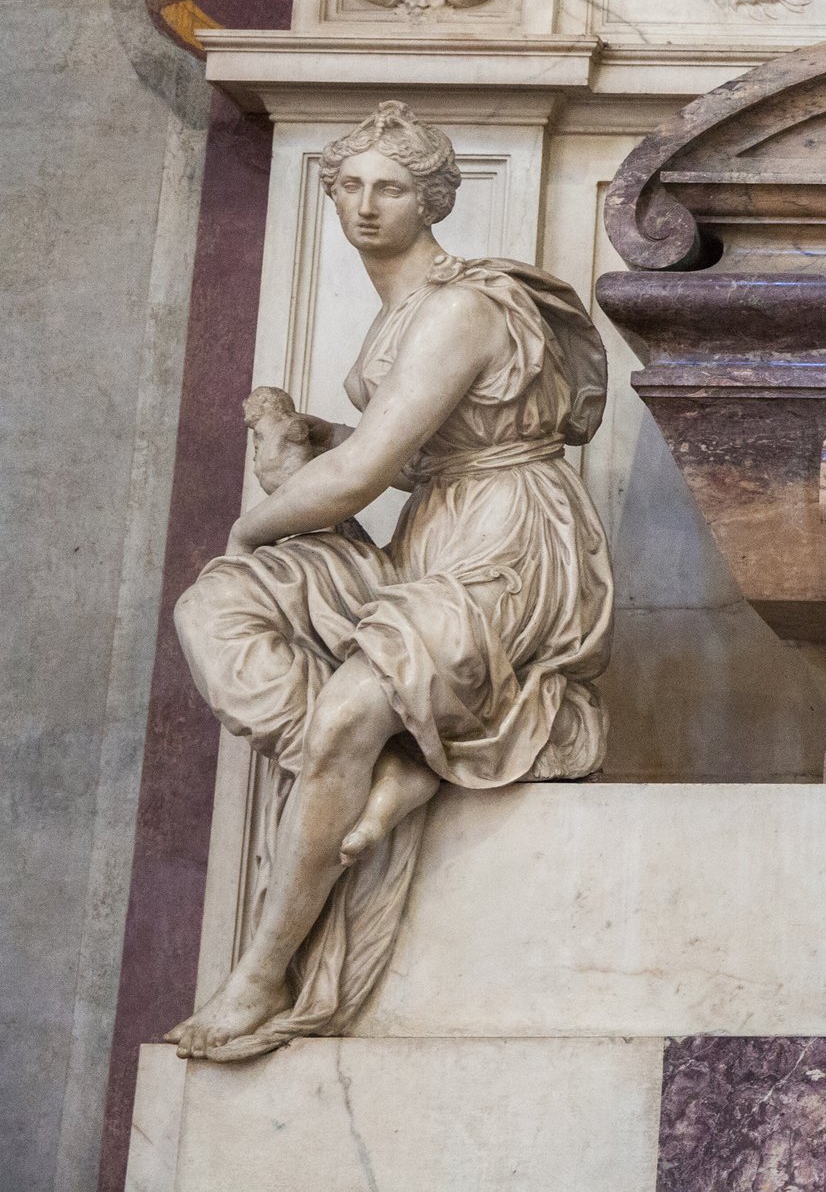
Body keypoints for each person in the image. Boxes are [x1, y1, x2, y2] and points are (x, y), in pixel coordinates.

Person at [168, 101, 611, 1061]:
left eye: (393, 187)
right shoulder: (401, 312)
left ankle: (260, 975)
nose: (368, 205)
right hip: (434, 533)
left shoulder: (458, 306)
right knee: (217, 603)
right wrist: (313, 442)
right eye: (352, 185)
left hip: (509, 546)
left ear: (434, 199)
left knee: (334, 696)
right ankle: (388, 764)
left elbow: (370, 473)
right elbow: (404, 453)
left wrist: (255, 519)